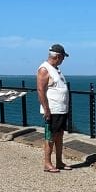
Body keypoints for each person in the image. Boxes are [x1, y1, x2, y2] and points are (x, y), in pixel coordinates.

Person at [36, 43, 71, 172]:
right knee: (50, 136)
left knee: (59, 135)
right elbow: (40, 89)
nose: (63, 60)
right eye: (62, 57)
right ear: (58, 56)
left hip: (61, 109)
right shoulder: (44, 69)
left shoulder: (56, 69)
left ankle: (59, 161)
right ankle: (47, 163)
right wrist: (46, 109)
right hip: (53, 109)